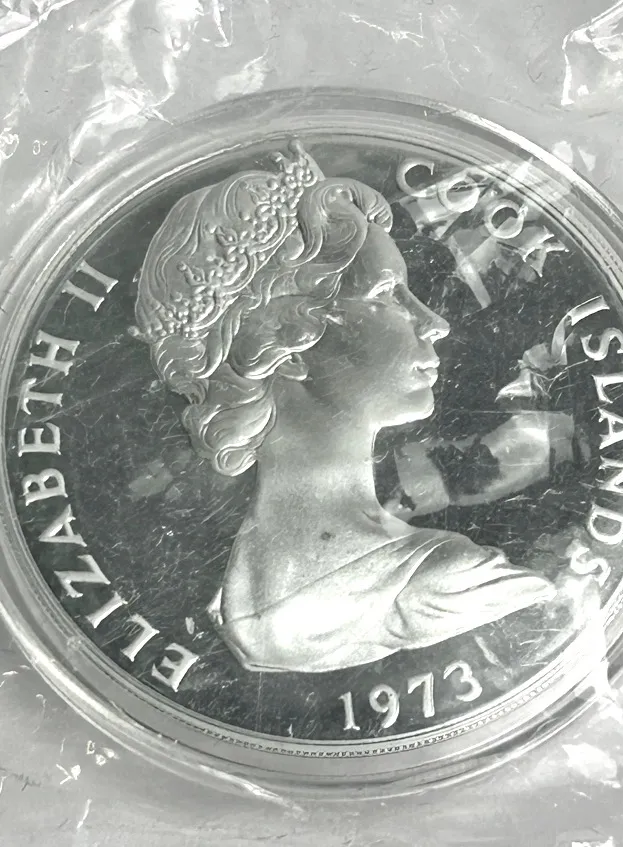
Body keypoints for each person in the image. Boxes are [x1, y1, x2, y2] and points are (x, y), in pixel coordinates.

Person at [133, 140, 559, 674]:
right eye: (386, 296)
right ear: (285, 344)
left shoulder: (232, 594)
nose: (434, 323)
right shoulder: (446, 581)